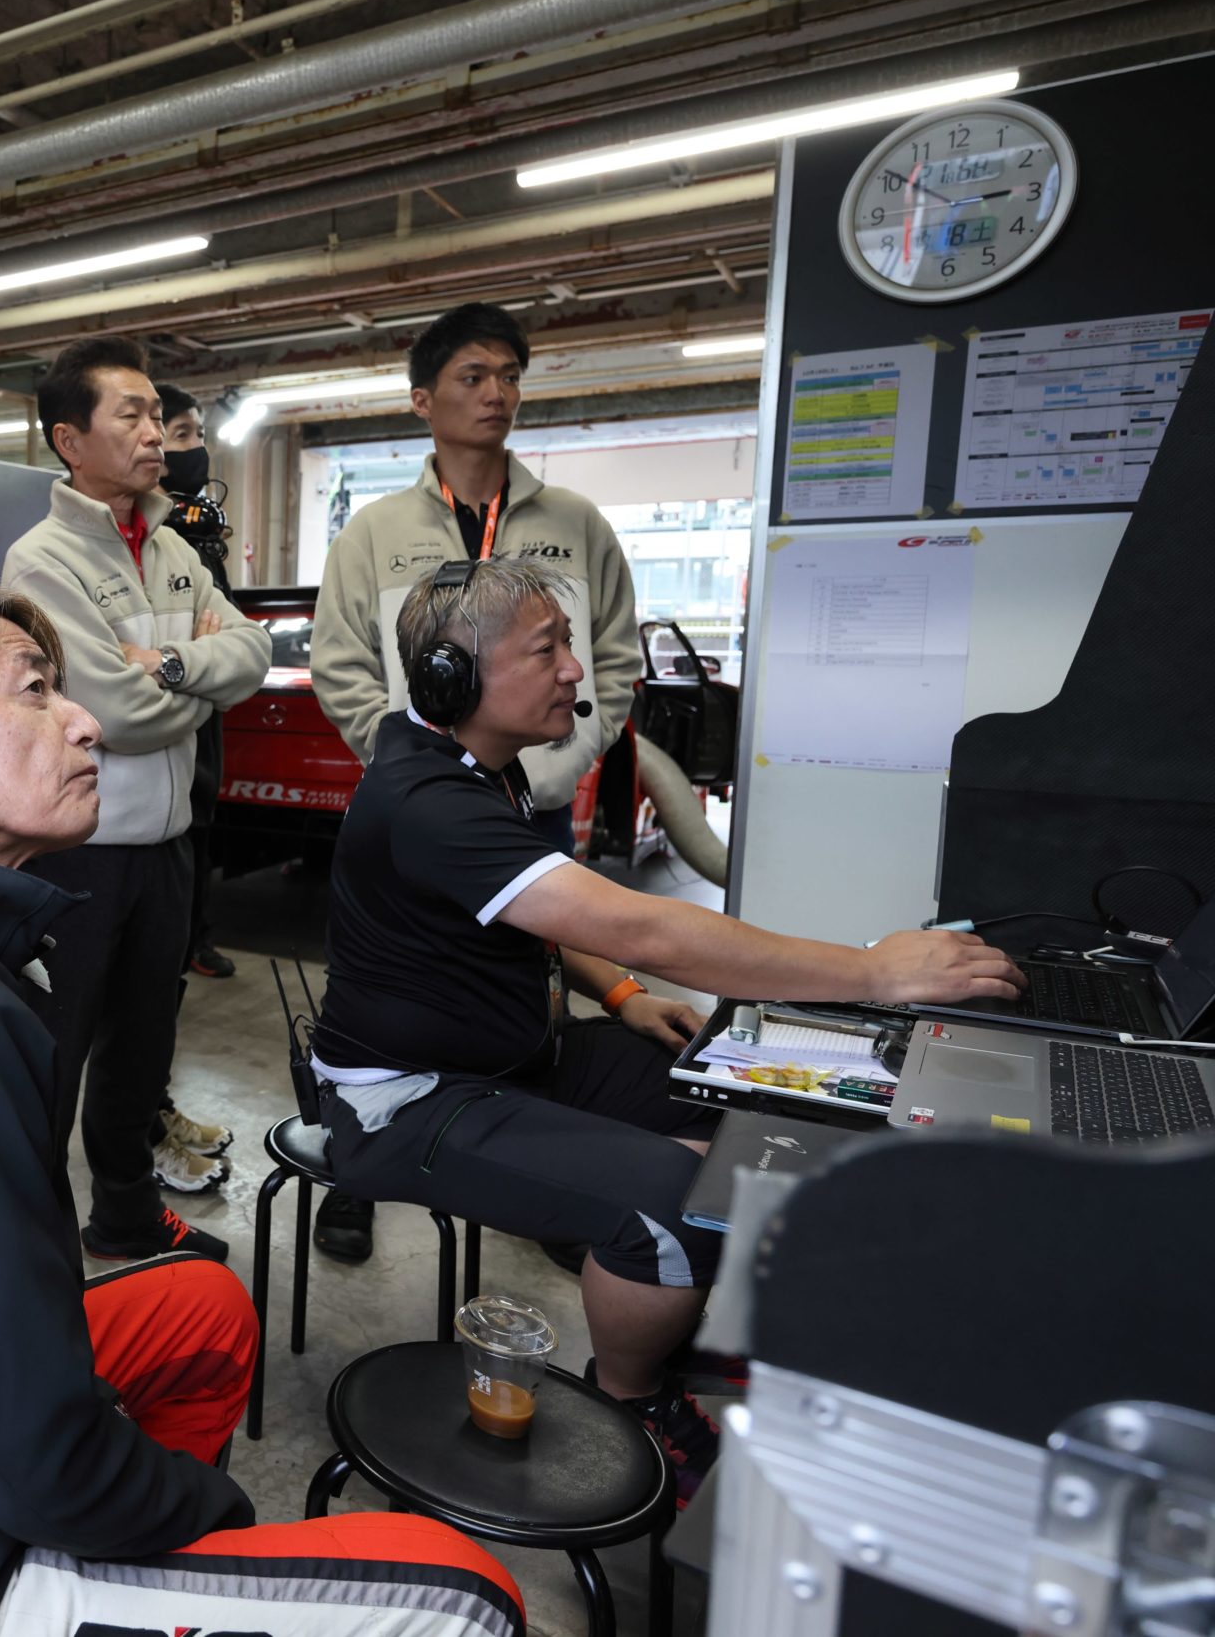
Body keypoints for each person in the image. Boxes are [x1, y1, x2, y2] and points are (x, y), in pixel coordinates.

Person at [0, 583, 528, 1637]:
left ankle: (155, 1589)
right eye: (34, 693)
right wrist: (213, 1516)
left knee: (202, 1311)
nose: (86, 723)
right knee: (465, 1594)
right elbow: (28, 1457)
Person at [313, 556, 1024, 1501]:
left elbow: (535, 915)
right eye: (548, 649)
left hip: (513, 1057)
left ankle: (677, 1318)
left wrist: (619, 996)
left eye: (568, 644)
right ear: (454, 678)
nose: (576, 668)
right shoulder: (427, 800)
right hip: (407, 1101)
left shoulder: (486, 768)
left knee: (742, 1098)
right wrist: (874, 972)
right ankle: (634, 1402)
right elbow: (644, 926)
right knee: (674, 1203)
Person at [305, 300, 645, 1267]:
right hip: (424, 812)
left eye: (509, 375)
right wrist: (418, 771)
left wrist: (558, 762)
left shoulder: (575, 523)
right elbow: (341, 666)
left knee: (536, 980)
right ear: (424, 399)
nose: (497, 393)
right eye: (473, 376)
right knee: (397, 981)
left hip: (536, 799)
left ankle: (545, 1174)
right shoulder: (375, 531)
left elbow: (613, 661)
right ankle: (367, 1168)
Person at [3, 338, 268, 1258]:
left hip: (168, 847)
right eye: (133, 415)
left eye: (158, 415)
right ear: (69, 440)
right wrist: (198, 688)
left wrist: (173, 665)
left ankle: (123, 1214)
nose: (156, 432)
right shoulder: (41, 562)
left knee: (142, 1050)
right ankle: (28, 1249)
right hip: (80, 853)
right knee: (55, 1054)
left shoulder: (172, 547)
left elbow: (253, 653)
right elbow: (112, 712)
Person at [155, 381, 236, 984]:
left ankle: (194, 938)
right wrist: (198, 658)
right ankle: (177, 943)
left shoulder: (199, 541)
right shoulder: (157, 542)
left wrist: (209, 657)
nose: (197, 449)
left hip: (206, 715)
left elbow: (238, 645)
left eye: (199, 435)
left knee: (203, 824)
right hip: (166, 719)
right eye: (181, 435)